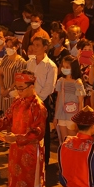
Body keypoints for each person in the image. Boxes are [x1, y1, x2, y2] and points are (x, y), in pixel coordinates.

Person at [26, 36, 58, 165]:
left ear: (45, 47)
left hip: (41, 101)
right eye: (33, 45)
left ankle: (44, 159)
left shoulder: (51, 66)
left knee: (42, 132)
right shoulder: (30, 62)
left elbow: (49, 87)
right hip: (28, 100)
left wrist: (36, 100)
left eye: (38, 45)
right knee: (28, 129)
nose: (34, 47)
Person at [54, 55, 86, 145]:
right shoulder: (61, 81)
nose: (64, 69)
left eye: (67, 67)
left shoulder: (78, 83)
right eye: (63, 66)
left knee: (73, 142)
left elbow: (81, 102)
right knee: (64, 142)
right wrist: (56, 116)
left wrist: (78, 120)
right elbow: (58, 99)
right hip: (61, 114)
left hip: (73, 116)